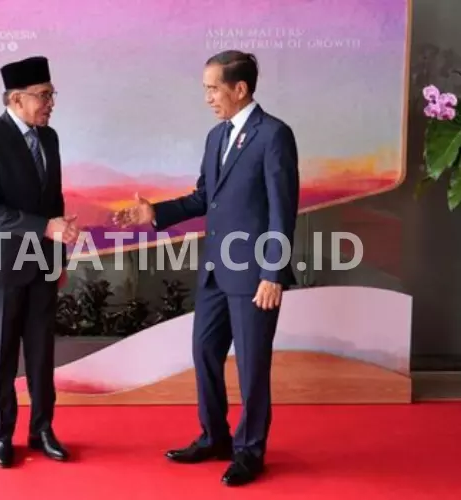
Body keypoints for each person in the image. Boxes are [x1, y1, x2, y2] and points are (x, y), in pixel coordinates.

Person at [113, 50, 299, 486]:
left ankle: (250, 451)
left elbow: (281, 210)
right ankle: (215, 436)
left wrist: (273, 273)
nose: (208, 98)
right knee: (204, 352)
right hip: (216, 271)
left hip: (255, 275)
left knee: (253, 366)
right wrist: (154, 214)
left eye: (213, 88)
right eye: (205, 89)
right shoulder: (216, 137)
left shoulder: (274, 135)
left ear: (241, 88)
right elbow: (204, 198)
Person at [0, 55, 78, 468]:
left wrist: (59, 256)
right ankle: (2, 434)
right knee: (1, 356)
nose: (51, 103)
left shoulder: (49, 138)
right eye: (43, 96)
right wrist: (46, 227)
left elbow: (56, 202)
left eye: (52, 95)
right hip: (0, 266)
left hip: (43, 263)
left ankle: (42, 429)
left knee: (41, 352)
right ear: (16, 99)